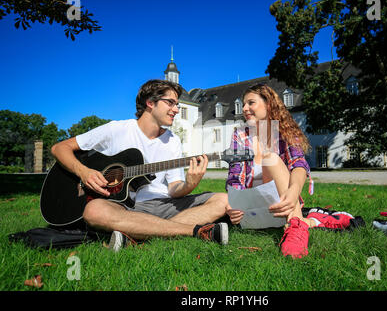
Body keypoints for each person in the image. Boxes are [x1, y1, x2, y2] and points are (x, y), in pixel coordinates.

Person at [51, 79, 229, 252]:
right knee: (94, 211)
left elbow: (174, 188)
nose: (176, 109)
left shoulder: (173, 140)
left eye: (177, 105)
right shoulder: (117, 130)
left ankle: (139, 233)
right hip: (126, 207)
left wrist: (190, 184)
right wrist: (84, 172)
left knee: (223, 200)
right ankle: (194, 231)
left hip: (163, 204)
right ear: (150, 102)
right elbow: (60, 148)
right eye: (170, 103)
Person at [225, 83, 353, 259]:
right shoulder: (240, 135)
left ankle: (296, 227)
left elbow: (298, 164)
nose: (244, 108)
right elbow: (234, 177)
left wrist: (294, 191)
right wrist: (233, 205)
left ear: (268, 104)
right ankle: (308, 221)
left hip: (283, 204)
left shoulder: (285, 130)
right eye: (243, 104)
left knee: (270, 158)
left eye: (251, 103)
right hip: (251, 211)